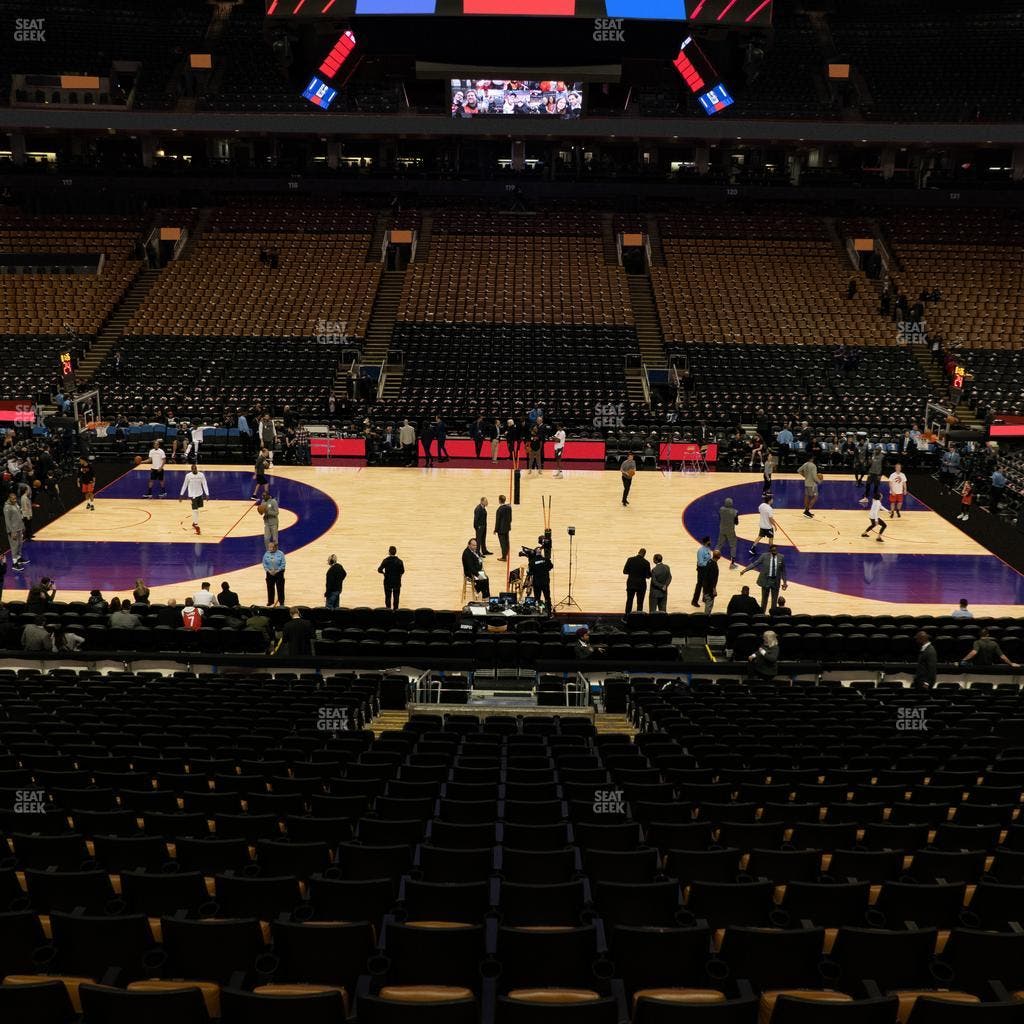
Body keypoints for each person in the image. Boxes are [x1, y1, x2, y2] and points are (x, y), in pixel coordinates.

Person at [741, 543, 788, 613]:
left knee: (774, 601)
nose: (775, 552)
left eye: (776, 550)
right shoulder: (764, 556)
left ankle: (773, 615)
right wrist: (745, 570)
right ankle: (762, 614)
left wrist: (784, 582)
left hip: (775, 581)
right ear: (770, 551)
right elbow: (755, 563)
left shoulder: (781, 557)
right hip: (766, 580)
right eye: (773, 550)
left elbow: (783, 571)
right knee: (764, 600)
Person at [179, 464, 210, 535]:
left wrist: (207, 494)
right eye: (192, 469)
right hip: (192, 495)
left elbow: (204, 484)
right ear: (191, 469)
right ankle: (196, 524)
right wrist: (181, 494)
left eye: (195, 468)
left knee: (197, 509)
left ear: (196, 468)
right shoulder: (188, 476)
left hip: (200, 494)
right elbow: (185, 485)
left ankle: (194, 522)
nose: (194, 470)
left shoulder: (201, 475)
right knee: (195, 509)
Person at [623, 547, 651, 615]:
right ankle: (639, 618)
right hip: (641, 585)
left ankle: (627, 616)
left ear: (638, 552)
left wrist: (632, 572)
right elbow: (648, 576)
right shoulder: (646, 562)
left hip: (631, 584)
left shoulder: (630, 560)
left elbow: (624, 571)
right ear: (644, 554)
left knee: (629, 600)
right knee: (640, 602)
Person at [717, 497, 740, 569]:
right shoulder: (734, 512)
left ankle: (713, 560)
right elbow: (736, 523)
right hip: (730, 530)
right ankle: (732, 564)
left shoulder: (721, 509)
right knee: (733, 545)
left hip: (722, 529)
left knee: (719, 544)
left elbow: (720, 518)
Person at [528, 545, 553, 611]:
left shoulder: (532, 562)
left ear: (535, 553)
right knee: (547, 598)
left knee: (537, 598)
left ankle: (537, 611)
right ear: (541, 552)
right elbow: (551, 567)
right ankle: (549, 611)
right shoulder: (546, 560)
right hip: (545, 582)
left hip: (537, 583)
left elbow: (530, 572)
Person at [263, 542, 286, 607]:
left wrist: (277, 571)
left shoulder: (281, 553)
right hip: (269, 573)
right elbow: (264, 564)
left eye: (271, 547)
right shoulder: (266, 554)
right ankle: (270, 601)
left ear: (275, 547)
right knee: (270, 588)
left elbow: (283, 564)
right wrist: (268, 571)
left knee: (280, 588)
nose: (270, 548)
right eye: (269, 547)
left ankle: (281, 601)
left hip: (279, 573)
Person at [692, 537, 713, 608]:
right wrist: (708, 563)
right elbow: (700, 563)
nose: (710, 541)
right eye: (709, 541)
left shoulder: (708, 549)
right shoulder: (701, 551)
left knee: (706, 585)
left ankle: (704, 598)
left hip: (707, 570)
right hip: (702, 570)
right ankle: (694, 601)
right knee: (699, 585)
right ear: (706, 542)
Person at [701, 550, 721, 614]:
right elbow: (712, 579)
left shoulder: (708, 562)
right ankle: (705, 621)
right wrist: (714, 589)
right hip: (709, 589)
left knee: (706, 602)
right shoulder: (714, 565)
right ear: (719, 557)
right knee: (709, 606)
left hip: (705, 586)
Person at [494, 495, 512, 561]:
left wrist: (495, 530)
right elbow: (510, 519)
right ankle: (507, 552)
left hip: (501, 529)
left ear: (499, 500)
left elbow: (497, 521)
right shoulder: (509, 508)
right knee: (507, 541)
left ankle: (504, 557)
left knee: (503, 543)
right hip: (507, 528)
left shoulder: (499, 509)